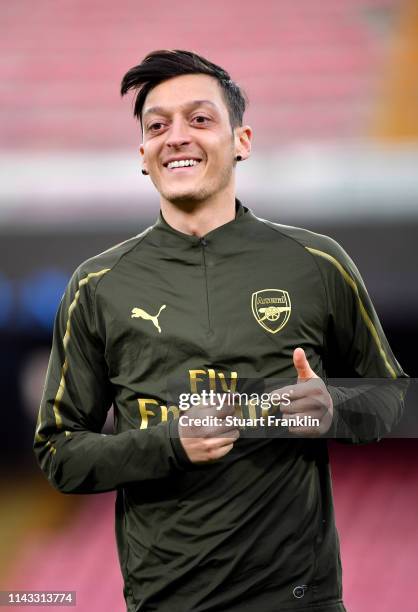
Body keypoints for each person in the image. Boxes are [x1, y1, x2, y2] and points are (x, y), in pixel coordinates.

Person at [34, 49, 406, 612]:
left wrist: (336, 406)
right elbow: (59, 451)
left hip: (300, 599)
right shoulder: (97, 285)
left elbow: (396, 399)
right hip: (166, 600)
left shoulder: (316, 262)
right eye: (157, 126)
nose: (176, 136)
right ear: (143, 154)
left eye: (200, 119)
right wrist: (170, 444)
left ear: (242, 140)